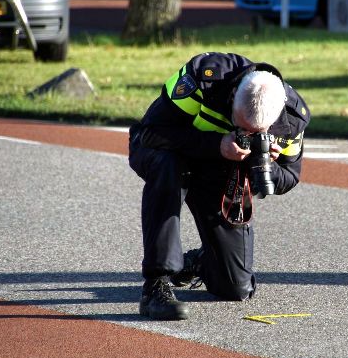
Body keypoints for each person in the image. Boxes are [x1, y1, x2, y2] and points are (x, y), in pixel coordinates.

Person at [128, 52, 310, 320]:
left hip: (220, 172)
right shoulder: (204, 77)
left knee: (236, 288)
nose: (245, 135)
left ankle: (202, 260)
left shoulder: (292, 118)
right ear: (233, 94)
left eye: (254, 133)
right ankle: (157, 284)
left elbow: (289, 177)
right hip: (170, 155)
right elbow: (151, 132)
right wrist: (217, 144)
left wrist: (266, 166)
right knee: (169, 167)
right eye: (240, 126)